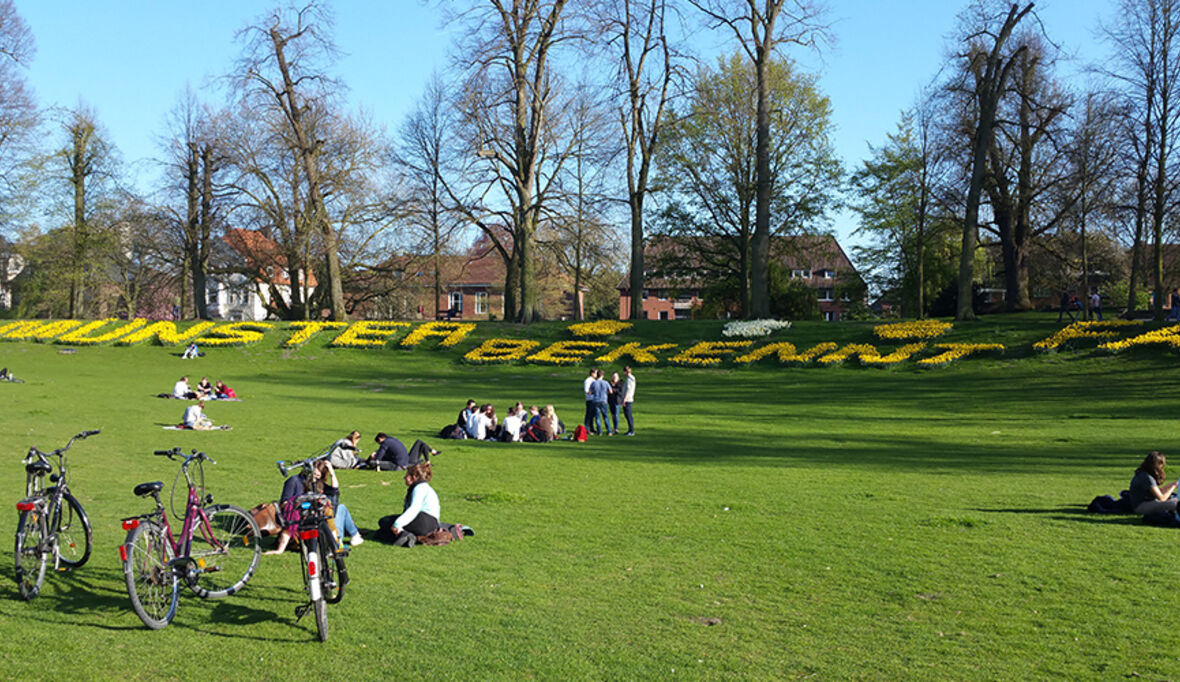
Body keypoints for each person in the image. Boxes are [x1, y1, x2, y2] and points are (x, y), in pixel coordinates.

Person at [386, 461, 443, 540]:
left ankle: (405, 535)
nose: (404, 478)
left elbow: (414, 509)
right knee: (384, 531)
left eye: (406, 475)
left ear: (414, 477)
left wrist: (397, 524)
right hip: (433, 524)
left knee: (385, 522)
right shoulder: (425, 487)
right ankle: (409, 536)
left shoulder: (419, 488)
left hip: (423, 521)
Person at [1129, 451, 1179, 516]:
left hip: (1148, 502)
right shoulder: (1146, 477)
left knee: (1175, 500)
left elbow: (1157, 492)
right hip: (1140, 507)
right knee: (1174, 503)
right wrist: (1173, 486)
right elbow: (1162, 498)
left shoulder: (1143, 473)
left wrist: (1170, 486)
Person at [369, 432, 438, 470]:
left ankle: (429, 457)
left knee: (372, 463)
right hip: (405, 460)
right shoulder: (392, 439)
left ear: (380, 439)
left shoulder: (385, 443)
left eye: (379, 443)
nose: (380, 445)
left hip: (400, 465)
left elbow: (379, 458)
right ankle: (431, 454)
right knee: (419, 442)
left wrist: (373, 457)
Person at [587, 370, 611, 435]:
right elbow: (611, 391)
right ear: (602, 375)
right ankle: (609, 431)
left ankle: (599, 431)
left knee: (597, 417)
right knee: (605, 416)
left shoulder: (594, 383)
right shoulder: (606, 382)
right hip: (604, 400)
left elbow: (590, 392)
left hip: (596, 401)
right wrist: (605, 393)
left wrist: (594, 392)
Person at [621, 366, 636, 436]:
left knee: (628, 415)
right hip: (629, 398)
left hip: (628, 399)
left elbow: (628, 390)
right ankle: (630, 430)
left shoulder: (629, 379)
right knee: (627, 415)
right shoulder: (631, 378)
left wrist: (624, 399)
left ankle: (631, 430)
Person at [607, 371, 623, 436]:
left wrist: (613, 390)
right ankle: (614, 427)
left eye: (615, 376)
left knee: (616, 415)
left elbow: (620, 391)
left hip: (617, 401)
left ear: (618, 377)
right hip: (611, 401)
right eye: (613, 376)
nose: (614, 378)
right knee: (613, 415)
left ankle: (616, 428)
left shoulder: (620, 383)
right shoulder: (609, 383)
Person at [583, 368, 598, 433]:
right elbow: (587, 390)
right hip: (590, 399)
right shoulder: (588, 380)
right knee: (589, 414)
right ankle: (587, 428)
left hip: (594, 399)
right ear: (592, 373)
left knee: (592, 415)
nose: (597, 374)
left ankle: (591, 428)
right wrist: (595, 392)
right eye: (596, 373)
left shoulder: (594, 380)